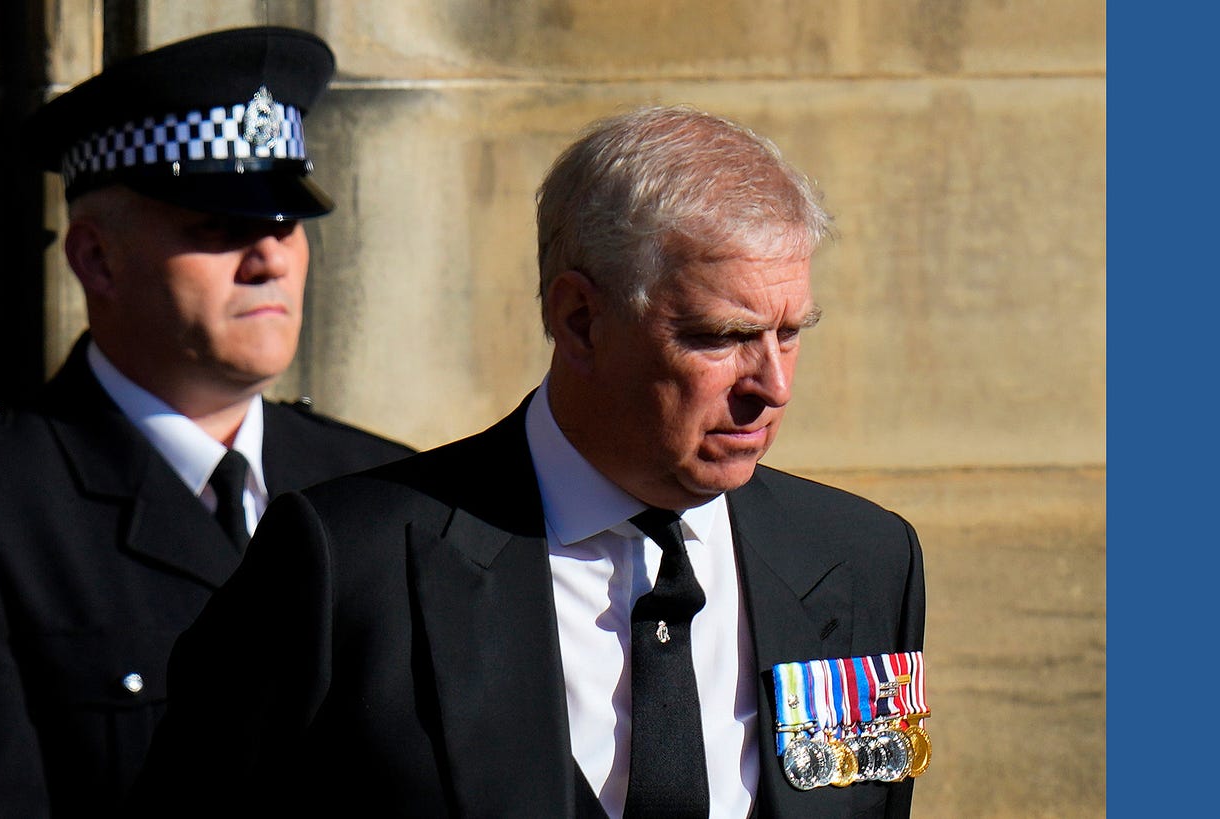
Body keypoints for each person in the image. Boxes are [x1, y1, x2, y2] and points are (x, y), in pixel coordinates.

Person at [132, 105, 926, 818]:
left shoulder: (862, 560)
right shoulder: (351, 567)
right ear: (579, 319)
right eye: (722, 337)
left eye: (790, 333)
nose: (772, 386)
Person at [0, 27, 414, 817]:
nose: (269, 259)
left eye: (284, 225)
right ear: (96, 260)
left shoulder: (385, 486)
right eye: (218, 229)